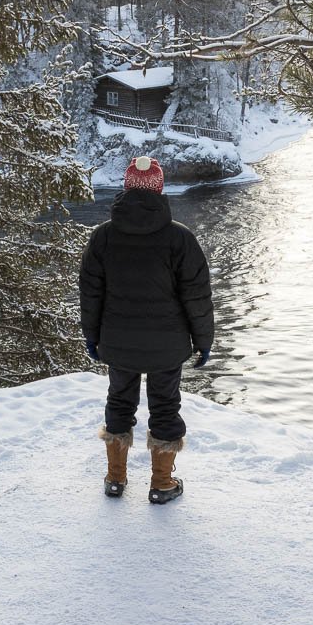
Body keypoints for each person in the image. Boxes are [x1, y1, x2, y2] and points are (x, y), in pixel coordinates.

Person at [79, 155, 214, 504]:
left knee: (119, 401)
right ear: (160, 190)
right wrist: (204, 341)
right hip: (167, 346)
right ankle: (162, 484)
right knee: (165, 405)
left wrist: (92, 337)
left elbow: (91, 293)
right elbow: (197, 296)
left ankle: (115, 478)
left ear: (126, 188)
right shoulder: (180, 239)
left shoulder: (103, 237)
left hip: (118, 342)